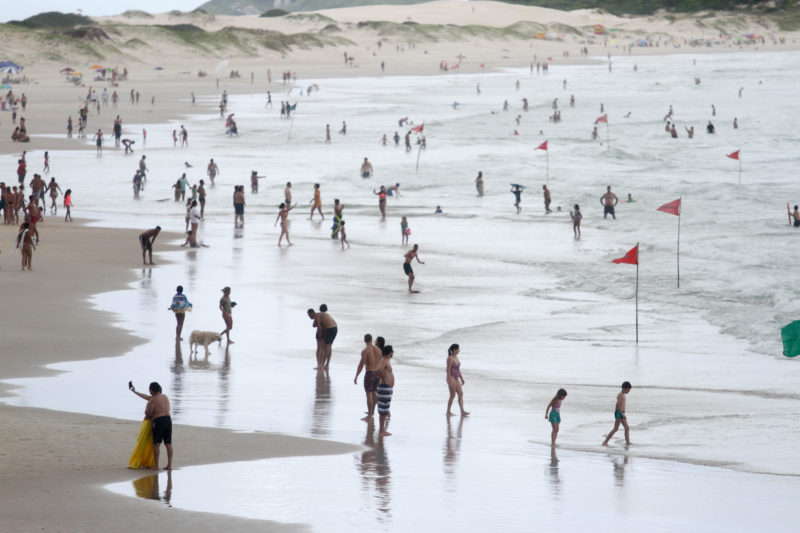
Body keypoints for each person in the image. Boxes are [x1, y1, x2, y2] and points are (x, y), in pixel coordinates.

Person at [130, 382, 173, 470]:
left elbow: (148, 413)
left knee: (156, 444)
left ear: (151, 390)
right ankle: (169, 465)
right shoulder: (164, 397)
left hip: (159, 422)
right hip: (168, 420)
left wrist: (147, 414)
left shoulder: (153, 400)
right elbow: (146, 397)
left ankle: (156, 465)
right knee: (168, 443)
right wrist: (135, 391)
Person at [354, 334, 382, 419]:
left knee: (369, 394)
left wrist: (356, 376)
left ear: (365, 341)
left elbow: (361, 365)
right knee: (374, 393)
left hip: (370, 374)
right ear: (371, 339)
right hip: (377, 373)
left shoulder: (365, 351)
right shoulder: (378, 350)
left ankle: (370, 415)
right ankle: (384, 411)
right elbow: (380, 362)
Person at [602, 381, 632, 446]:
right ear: (624, 388)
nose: (629, 391)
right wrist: (622, 413)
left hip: (620, 413)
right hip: (619, 413)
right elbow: (618, 405)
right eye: (628, 389)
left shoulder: (623, 395)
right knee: (616, 429)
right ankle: (605, 442)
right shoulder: (620, 395)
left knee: (626, 428)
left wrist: (622, 413)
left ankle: (627, 442)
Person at [446, 344, 469, 417]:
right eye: (458, 349)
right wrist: (449, 381)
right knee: (452, 395)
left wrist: (462, 378)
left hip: (456, 377)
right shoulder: (450, 358)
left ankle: (462, 411)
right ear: (454, 350)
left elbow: (458, 369)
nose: (459, 350)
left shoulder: (456, 357)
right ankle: (448, 412)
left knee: (461, 393)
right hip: (451, 377)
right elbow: (448, 370)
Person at [377, 345, 395, 437]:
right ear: (389, 352)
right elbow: (379, 369)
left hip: (386, 387)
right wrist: (385, 379)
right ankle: (381, 430)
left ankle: (382, 429)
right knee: (383, 410)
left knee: (384, 409)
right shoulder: (384, 360)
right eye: (392, 352)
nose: (393, 353)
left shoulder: (385, 360)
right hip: (384, 387)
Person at [316, 304, 337, 369]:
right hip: (335, 328)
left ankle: (321, 365)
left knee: (324, 347)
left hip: (329, 329)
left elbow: (317, 326)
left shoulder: (320, 315)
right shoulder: (327, 315)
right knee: (329, 347)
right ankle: (326, 365)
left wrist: (320, 336)